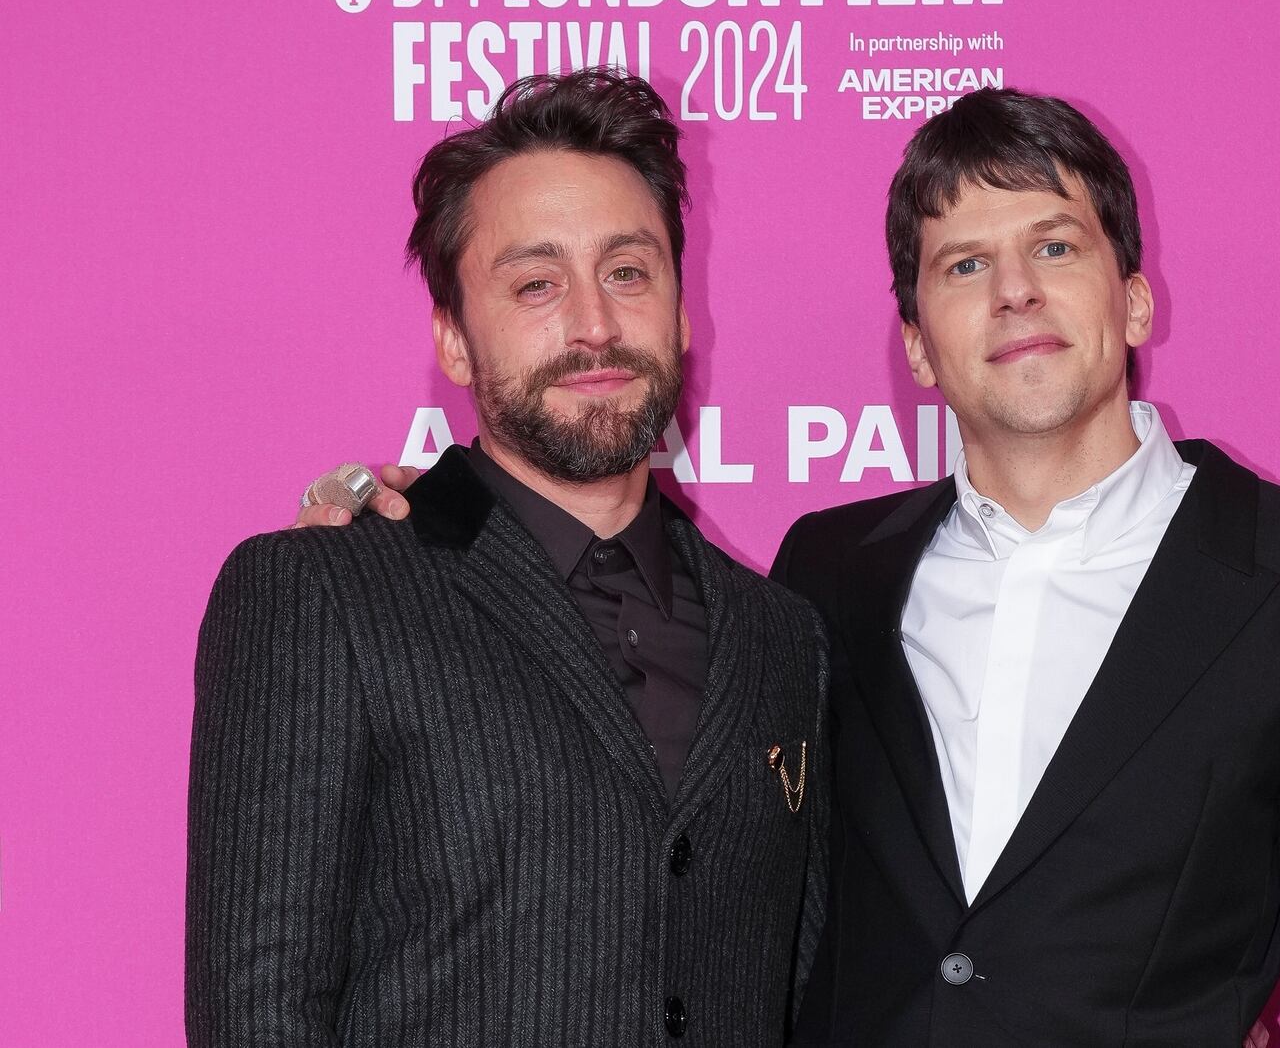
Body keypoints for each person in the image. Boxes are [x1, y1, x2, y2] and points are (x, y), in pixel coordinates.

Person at [301, 86, 1280, 1045]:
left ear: (1134, 295)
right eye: (961, 266)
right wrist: (409, 524)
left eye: (1054, 246)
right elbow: (602, 597)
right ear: (915, 344)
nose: (1014, 293)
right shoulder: (823, 574)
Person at [188, 68, 829, 1047]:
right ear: (452, 335)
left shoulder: (785, 636)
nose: (595, 324)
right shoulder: (325, 588)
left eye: (628, 270)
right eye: (536, 283)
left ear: (682, 309)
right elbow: (257, 1018)